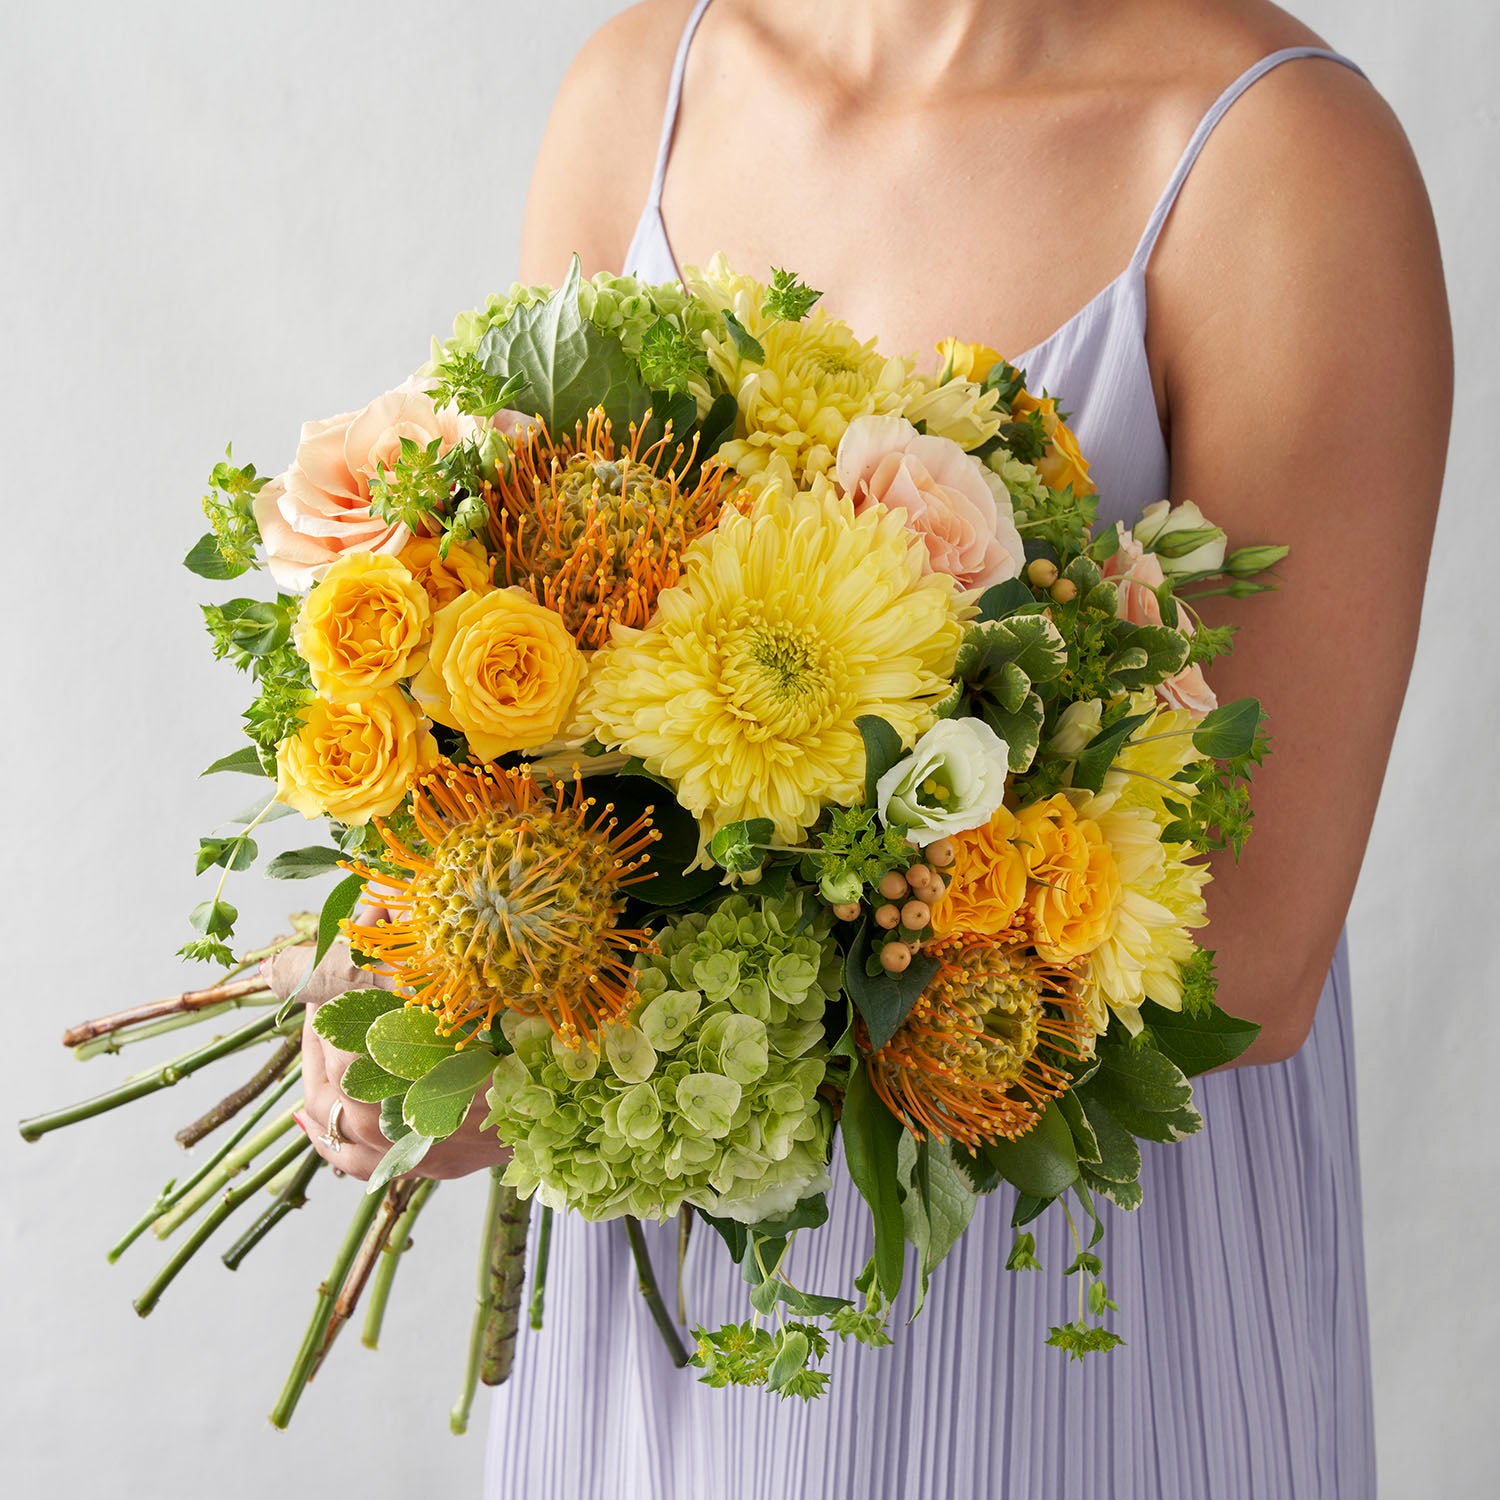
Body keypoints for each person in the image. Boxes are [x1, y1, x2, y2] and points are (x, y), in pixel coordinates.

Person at [272, 1, 1450, 1493]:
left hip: (1062, 1299)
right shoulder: (650, 84)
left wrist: (601, 1003)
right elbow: (528, 655)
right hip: (673, 1279)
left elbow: (1259, 956)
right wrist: (451, 975)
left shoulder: (1277, 154)